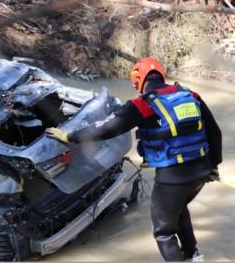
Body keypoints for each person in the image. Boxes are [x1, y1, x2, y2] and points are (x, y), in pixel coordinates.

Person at [45, 57, 222, 261]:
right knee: (179, 207)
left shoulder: (144, 104)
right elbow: (214, 133)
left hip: (173, 177)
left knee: (163, 232)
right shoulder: (191, 95)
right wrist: (214, 166)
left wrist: (70, 136)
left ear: (138, 79)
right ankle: (192, 255)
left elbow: (106, 127)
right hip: (201, 171)